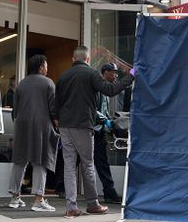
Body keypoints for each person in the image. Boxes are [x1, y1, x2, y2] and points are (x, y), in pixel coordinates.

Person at [55, 46, 134, 217]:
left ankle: (71, 207)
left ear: (73, 58)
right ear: (88, 59)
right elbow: (111, 90)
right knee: (87, 164)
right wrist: (131, 76)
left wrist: (58, 122)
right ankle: (93, 204)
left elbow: (56, 103)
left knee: (69, 166)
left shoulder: (63, 76)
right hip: (83, 125)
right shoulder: (91, 74)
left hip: (65, 126)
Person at [8, 55, 60, 212]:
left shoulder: (21, 84)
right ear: (40, 67)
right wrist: (57, 126)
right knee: (40, 160)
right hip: (41, 126)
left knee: (20, 160)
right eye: (46, 64)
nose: (47, 67)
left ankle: (15, 198)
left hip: (22, 125)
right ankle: (38, 200)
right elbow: (54, 109)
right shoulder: (48, 82)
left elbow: (14, 111)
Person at [94, 63, 123, 204]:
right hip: (92, 131)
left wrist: (109, 122)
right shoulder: (97, 87)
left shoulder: (105, 89)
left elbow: (103, 110)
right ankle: (61, 188)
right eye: (114, 72)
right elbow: (92, 109)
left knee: (102, 163)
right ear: (105, 72)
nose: (116, 75)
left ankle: (109, 193)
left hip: (99, 130)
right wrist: (106, 121)